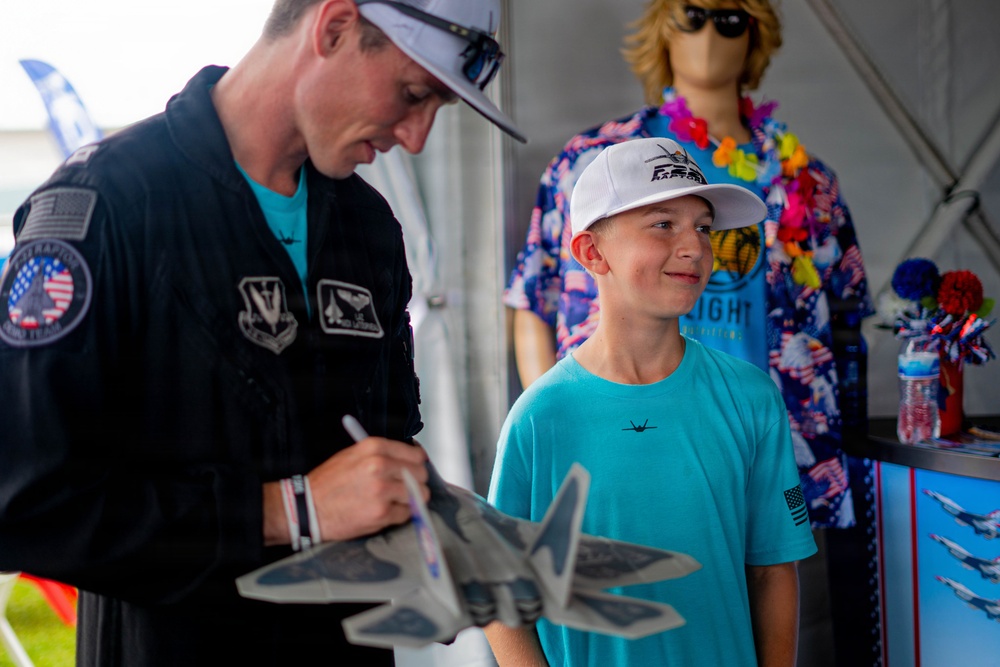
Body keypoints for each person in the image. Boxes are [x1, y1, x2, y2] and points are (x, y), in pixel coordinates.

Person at [0, 0, 524, 665]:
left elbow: (376, 454)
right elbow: (26, 503)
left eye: (437, 109)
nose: (416, 137)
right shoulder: (110, 202)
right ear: (334, 28)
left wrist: (426, 546)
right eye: (413, 94)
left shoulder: (368, 228)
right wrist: (288, 512)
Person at [503, 0, 872, 529]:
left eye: (730, 19)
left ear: (755, 35)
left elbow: (846, 319)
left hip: (774, 454)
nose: (709, 33)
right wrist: (563, 424)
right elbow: (533, 300)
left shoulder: (807, 181)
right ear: (663, 29)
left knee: (779, 578)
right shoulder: (592, 162)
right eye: (692, 15)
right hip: (618, 447)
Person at [486, 137, 817, 666]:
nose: (695, 248)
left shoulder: (751, 398)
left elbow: (773, 570)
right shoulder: (540, 418)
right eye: (663, 224)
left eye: (703, 228)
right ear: (592, 253)